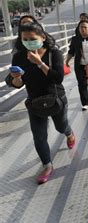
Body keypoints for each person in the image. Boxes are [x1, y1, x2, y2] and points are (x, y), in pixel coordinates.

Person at [5, 21, 75, 184]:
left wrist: (40, 63)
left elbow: (58, 78)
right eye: (25, 39)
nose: (29, 42)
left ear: (42, 37)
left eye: (32, 38)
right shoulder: (19, 57)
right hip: (34, 101)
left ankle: (69, 133)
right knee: (39, 136)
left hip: (56, 98)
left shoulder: (53, 53)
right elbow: (17, 83)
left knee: (60, 126)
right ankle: (47, 166)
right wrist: (16, 79)